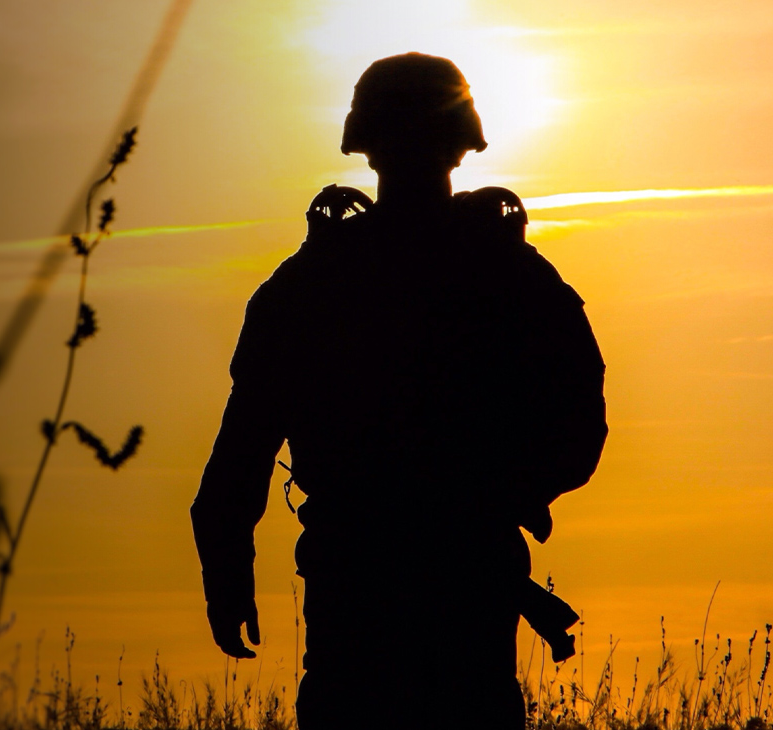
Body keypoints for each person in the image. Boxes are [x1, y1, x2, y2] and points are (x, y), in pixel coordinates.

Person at [190, 53, 607, 730]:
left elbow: (239, 458)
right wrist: (505, 496)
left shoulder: (310, 283)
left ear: (365, 143)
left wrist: (228, 570)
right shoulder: (512, 274)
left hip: (360, 584)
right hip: (458, 581)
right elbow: (579, 423)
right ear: (463, 144)